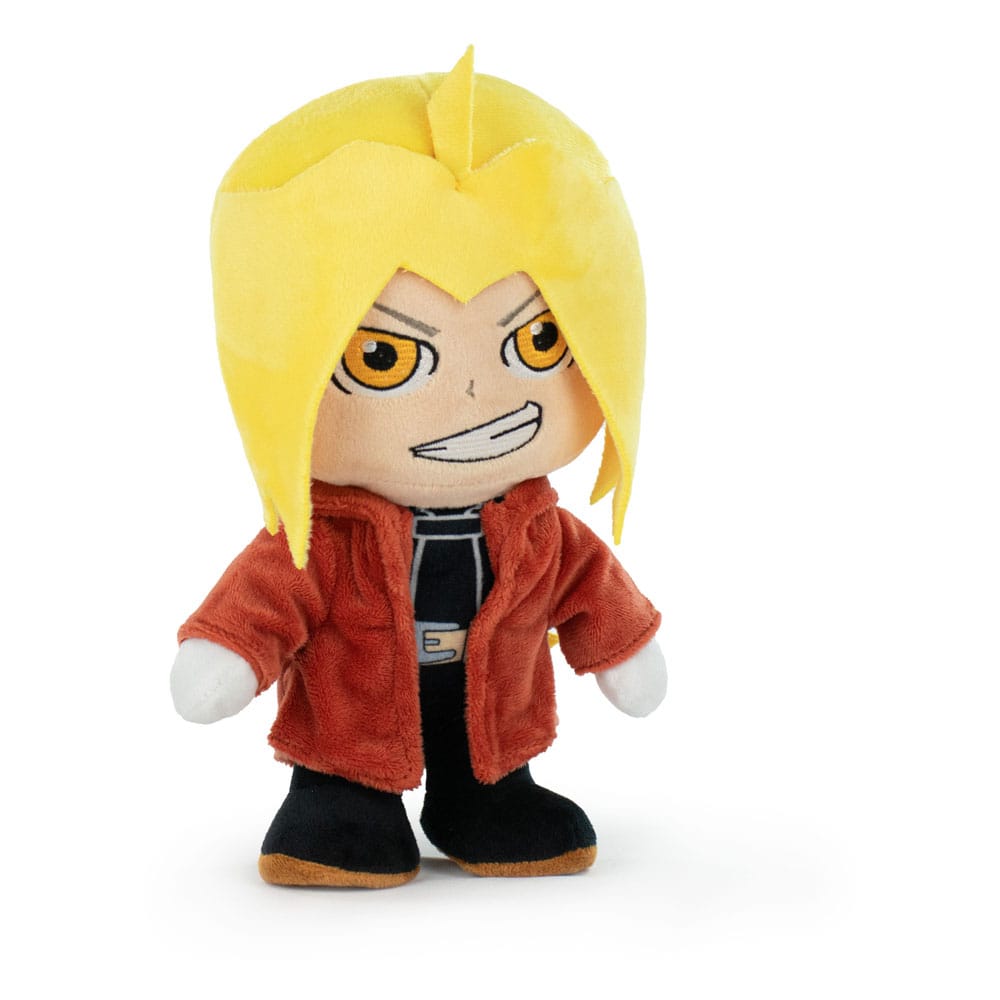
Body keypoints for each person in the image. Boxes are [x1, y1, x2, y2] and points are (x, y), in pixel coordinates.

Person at [171, 49, 667, 888]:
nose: (476, 394)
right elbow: (266, 598)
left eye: (538, 340)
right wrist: (229, 652)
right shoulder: (323, 539)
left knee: (491, 772)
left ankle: (485, 798)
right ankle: (345, 799)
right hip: (350, 732)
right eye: (385, 357)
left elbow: (587, 586)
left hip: (495, 725)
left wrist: (622, 647)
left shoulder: (539, 530)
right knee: (344, 801)